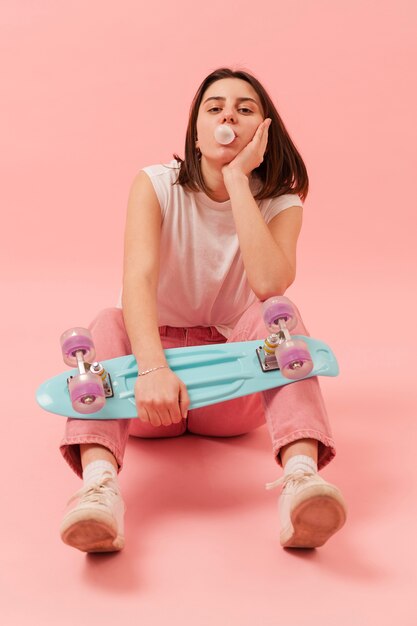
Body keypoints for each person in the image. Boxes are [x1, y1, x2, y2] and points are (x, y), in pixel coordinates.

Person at [59, 67, 347, 553]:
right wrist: (151, 367)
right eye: (214, 107)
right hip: (148, 388)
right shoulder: (155, 184)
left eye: (244, 107)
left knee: (279, 311)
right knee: (108, 320)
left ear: (264, 129)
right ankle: (98, 491)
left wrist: (237, 178)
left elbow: (268, 283)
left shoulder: (281, 202)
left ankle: (301, 484)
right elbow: (138, 281)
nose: (228, 115)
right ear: (195, 130)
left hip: (229, 381)